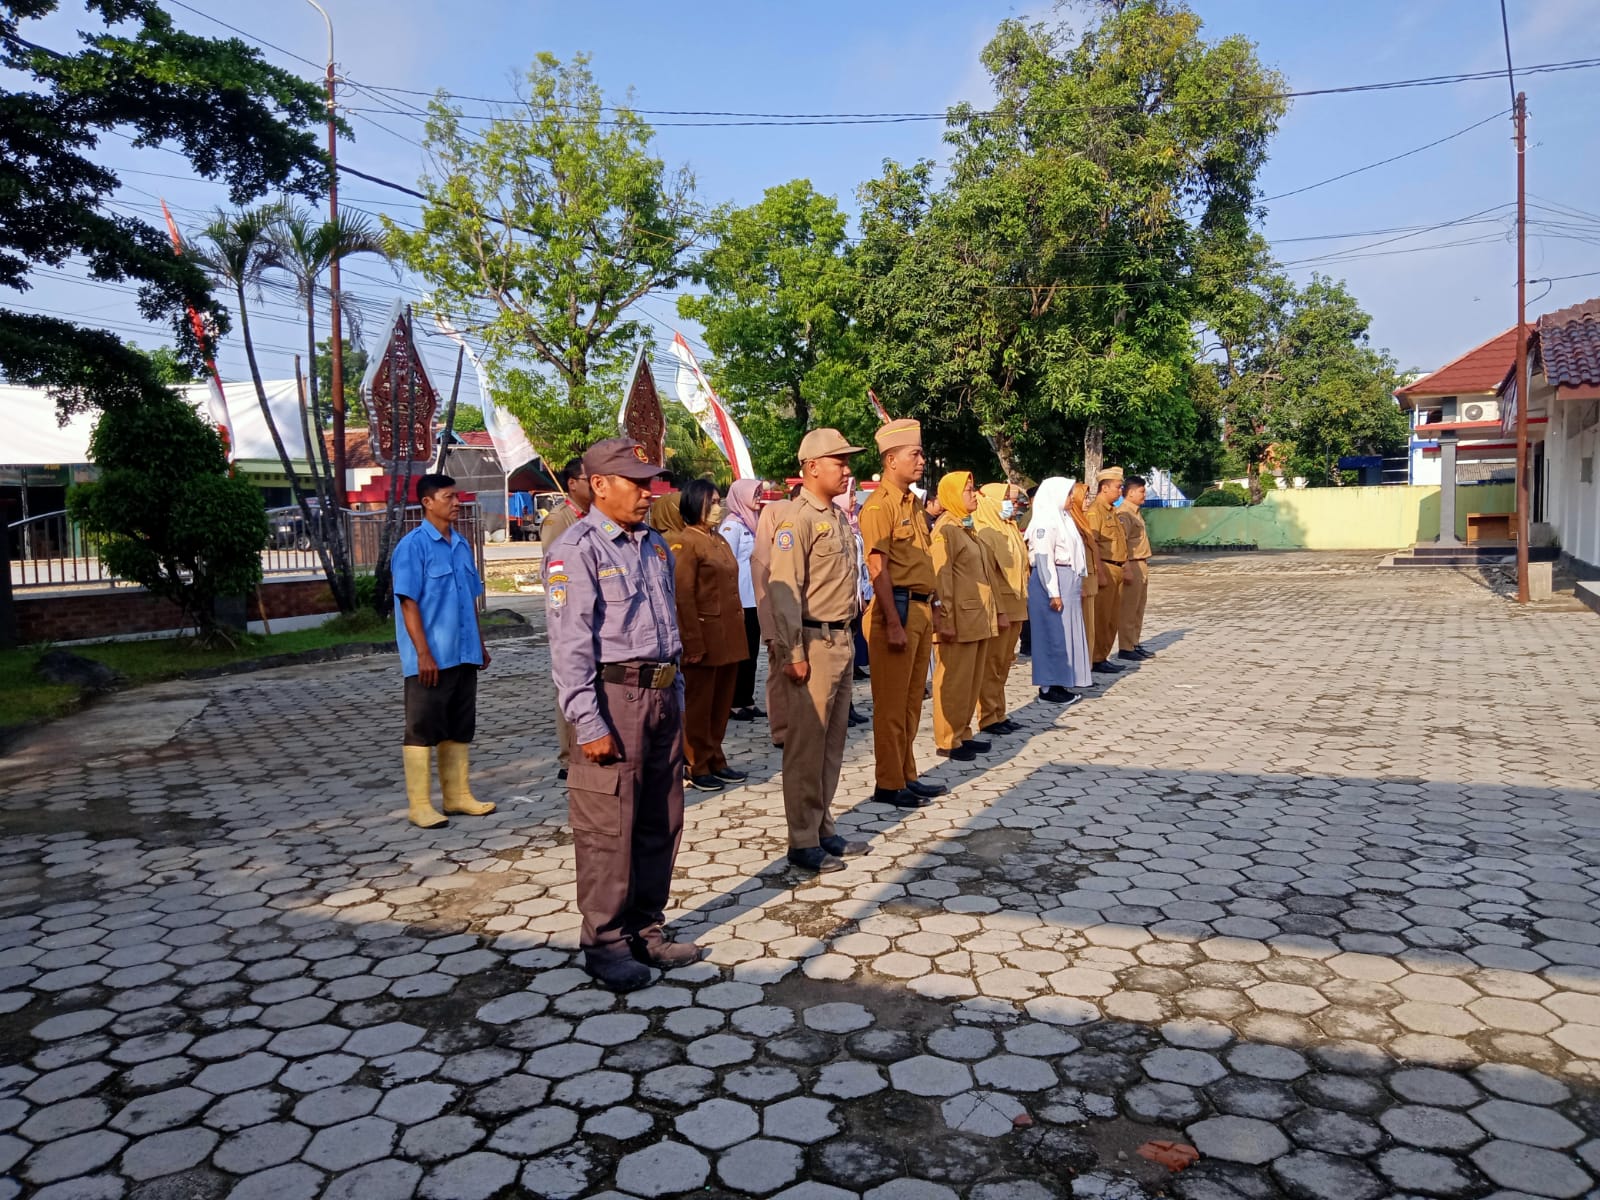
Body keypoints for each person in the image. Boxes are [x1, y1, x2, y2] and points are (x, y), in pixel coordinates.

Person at [547, 436, 703, 992]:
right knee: (607, 827)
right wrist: (587, 722)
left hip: (660, 697)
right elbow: (569, 647)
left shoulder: (654, 545)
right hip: (614, 698)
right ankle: (606, 942)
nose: (648, 492)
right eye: (635, 483)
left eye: (648, 482)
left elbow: (669, 631)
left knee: (661, 818)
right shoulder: (577, 549)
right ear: (599, 485)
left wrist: (676, 695)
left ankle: (646, 928)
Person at [768, 429, 865, 873]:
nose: (846, 470)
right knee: (806, 746)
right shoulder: (797, 520)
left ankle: (823, 825)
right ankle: (802, 839)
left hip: (841, 638)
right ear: (811, 468)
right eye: (838, 462)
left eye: (846, 461)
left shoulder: (838, 516)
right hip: (812, 642)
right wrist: (793, 652)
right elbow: (784, 590)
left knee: (832, 743)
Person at [392, 473, 495, 830]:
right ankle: (420, 805)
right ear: (427, 502)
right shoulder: (413, 546)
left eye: (457, 497)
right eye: (449, 497)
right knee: (422, 727)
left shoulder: (461, 544)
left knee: (460, 724)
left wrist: (480, 644)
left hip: (464, 652)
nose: (456, 503)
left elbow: (470, 599)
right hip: (432, 656)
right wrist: (422, 653)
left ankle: (457, 795)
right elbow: (408, 603)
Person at [858, 419, 949, 808]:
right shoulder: (879, 507)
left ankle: (906, 774)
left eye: (922, 453)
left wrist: (935, 608)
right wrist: (893, 623)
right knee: (892, 706)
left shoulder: (912, 503)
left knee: (912, 702)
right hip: (894, 611)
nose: (922, 460)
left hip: (919, 609)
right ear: (891, 460)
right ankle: (889, 782)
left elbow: (922, 563)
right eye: (915, 454)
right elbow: (878, 569)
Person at [670, 478, 750, 792]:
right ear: (695, 505)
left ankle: (716, 757)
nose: (718, 508)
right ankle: (696, 763)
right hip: (704, 636)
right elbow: (683, 596)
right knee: (699, 706)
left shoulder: (718, 540)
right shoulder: (685, 543)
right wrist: (692, 641)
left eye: (719, 501)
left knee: (720, 704)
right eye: (712, 503)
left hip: (728, 636)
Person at [930, 471, 1000, 761]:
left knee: (970, 681)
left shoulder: (965, 526)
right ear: (951, 495)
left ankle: (962, 733)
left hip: (976, 618)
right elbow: (941, 578)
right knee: (954, 681)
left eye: (973, 488)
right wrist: (944, 619)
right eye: (968, 490)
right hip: (957, 620)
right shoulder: (946, 529)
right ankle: (948, 738)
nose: (974, 495)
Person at [541, 457, 594, 780]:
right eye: (589, 478)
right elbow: (555, 572)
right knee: (570, 684)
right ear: (572, 483)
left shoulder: (596, 517)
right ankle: (568, 757)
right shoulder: (559, 520)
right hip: (570, 613)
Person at [1026, 477, 1091, 705]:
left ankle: (1061, 680)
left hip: (1067, 580)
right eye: (1068, 493)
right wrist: (1053, 592)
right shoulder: (1044, 522)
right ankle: (1048, 688)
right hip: (1052, 583)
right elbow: (1044, 561)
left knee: (1064, 635)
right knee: (1051, 635)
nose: (1072, 498)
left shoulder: (1064, 518)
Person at [973, 482, 1028, 734]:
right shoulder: (984, 530)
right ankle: (987, 716)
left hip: (1016, 603)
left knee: (1005, 661)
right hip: (1000, 605)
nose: (1012, 504)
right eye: (1006, 499)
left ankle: (999, 712)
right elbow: (989, 577)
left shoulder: (1009, 526)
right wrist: (998, 611)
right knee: (992, 663)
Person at [720, 478, 765, 722]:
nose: (759, 498)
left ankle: (747, 699)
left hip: (754, 598)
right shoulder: (732, 526)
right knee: (740, 653)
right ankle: (734, 701)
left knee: (753, 652)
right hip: (740, 599)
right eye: (755, 494)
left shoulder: (752, 523)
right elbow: (726, 563)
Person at [752, 490, 793, 749]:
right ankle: (781, 730)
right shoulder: (761, 558)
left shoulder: (786, 551)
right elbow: (763, 597)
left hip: (795, 624)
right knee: (778, 677)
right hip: (777, 626)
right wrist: (769, 632)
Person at [1084, 466, 1130, 675]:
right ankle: (1096, 657)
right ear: (1104, 488)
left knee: (1112, 617)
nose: (1120, 491)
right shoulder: (1095, 512)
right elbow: (1092, 546)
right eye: (1118, 487)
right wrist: (1100, 573)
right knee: (1101, 617)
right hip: (1106, 568)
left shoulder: (1112, 511)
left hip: (1117, 568)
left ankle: (1103, 655)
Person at [1117, 475, 1156, 661]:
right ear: (1131, 492)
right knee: (1129, 608)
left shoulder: (1136, 511)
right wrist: (1126, 569)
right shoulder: (1124, 513)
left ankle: (1134, 642)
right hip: (1132, 563)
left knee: (1139, 607)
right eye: (1141, 491)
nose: (1144, 494)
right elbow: (1121, 544)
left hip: (1141, 562)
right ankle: (1126, 647)